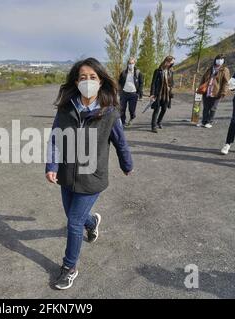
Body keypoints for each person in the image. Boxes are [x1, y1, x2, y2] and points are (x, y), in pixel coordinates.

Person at [45, 58, 133, 290]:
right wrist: (52, 166)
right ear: (76, 81)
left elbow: (120, 142)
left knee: (73, 222)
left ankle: (69, 267)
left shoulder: (110, 113)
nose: (87, 81)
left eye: (92, 77)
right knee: (75, 216)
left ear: (101, 81)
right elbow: (55, 138)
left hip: (92, 177)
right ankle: (93, 221)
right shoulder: (66, 109)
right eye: (83, 77)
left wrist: (127, 164)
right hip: (66, 174)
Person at [197, 54, 230, 128]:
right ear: (215, 60)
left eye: (221, 59)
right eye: (218, 59)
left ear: (224, 61)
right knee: (206, 107)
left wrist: (223, 92)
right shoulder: (210, 68)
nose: (219, 61)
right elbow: (203, 79)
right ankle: (204, 121)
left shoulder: (225, 69)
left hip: (216, 92)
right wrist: (200, 88)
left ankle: (209, 122)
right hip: (207, 91)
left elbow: (226, 82)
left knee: (213, 107)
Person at [150, 56, 175, 133]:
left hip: (166, 94)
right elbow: (153, 83)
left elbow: (172, 82)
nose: (172, 64)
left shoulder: (171, 71)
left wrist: (170, 87)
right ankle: (153, 126)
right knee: (156, 110)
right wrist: (152, 94)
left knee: (164, 109)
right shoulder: (158, 71)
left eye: (173, 63)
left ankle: (159, 121)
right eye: (171, 62)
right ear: (167, 62)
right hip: (158, 93)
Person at [118, 57, 144, 127]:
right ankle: (123, 122)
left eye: (132, 63)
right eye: (129, 63)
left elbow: (141, 83)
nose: (131, 65)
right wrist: (119, 91)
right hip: (124, 93)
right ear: (127, 64)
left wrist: (139, 94)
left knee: (131, 109)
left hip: (133, 94)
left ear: (134, 63)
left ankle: (132, 117)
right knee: (122, 109)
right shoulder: (123, 72)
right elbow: (119, 82)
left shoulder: (138, 73)